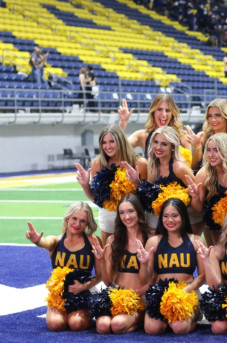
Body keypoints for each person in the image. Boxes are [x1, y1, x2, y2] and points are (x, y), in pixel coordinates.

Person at [25, 202, 102, 331]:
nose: (77, 224)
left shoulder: (93, 241)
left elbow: (100, 276)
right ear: (67, 218)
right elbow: (45, 242)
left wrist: (83, 286)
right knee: (56, 324)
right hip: (59, 296)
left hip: (83, 294)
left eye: (83, 221)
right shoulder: (56, 240)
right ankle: (61, 312)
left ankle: (84, 313)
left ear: (88, 223)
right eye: (74, 218)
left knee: (76, 324)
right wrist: (37, 241)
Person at [136, 198, 206, 335]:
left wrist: (187, 289)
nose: (170, 220)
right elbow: (145, 279)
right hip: (160, 295)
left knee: (179, 328)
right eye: (166, 216)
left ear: (183, 217)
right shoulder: (153, 242)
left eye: (175, 216)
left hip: (186, 293)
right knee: (152, 329)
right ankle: (168, 320)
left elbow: (202, 276)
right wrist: (144, 264)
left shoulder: (196, 240)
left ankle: (194, 316)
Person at [75, 124, 148, 246]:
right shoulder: (98, 163)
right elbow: (96, 199)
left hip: (134, 220)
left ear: (120, 141)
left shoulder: (139, 163)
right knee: (109, 257)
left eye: (112, 141)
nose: (107, 146)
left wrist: (137, 183)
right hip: (108, 220)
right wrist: (85, 185)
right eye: (104, 142)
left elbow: (146, 199)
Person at [92, 195, 149, 334]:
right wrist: (101, 261)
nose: (126, 216)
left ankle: (141, 317)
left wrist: (135, 295)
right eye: (122, 213)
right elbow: (107, 281)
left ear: (139, 212)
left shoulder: (150, 239)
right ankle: (132, 322)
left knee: (117, 325)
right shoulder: (113, 240)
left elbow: (154, 279)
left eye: (130, 211)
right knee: (103, 326)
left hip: (139, 298)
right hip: (116, 296)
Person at [124, 126, 195, 232]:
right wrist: (136, 182)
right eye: (155, 142)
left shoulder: (179, 168)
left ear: (172, 146)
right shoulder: (152, 164)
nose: (158, 147)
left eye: (164, 144)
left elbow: (197, 196)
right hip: (162, 218)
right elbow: (150, 195)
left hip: (183, 218)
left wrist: (176, 203)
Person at [119, 95, 198, 160]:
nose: (164, 114)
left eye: (167, 110)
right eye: (159, 109)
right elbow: (118, 148)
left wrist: (198, 147)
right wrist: (123, 123)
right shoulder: (142, 136)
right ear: (153, 112)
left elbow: (190, 167)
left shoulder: (183, 137)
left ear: (172, 113)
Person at [195, 98, 227, 163]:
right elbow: (194, 167)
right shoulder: (202, 137)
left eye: (218, 115)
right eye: (210, 116)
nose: (213, 119)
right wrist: (196, 147)